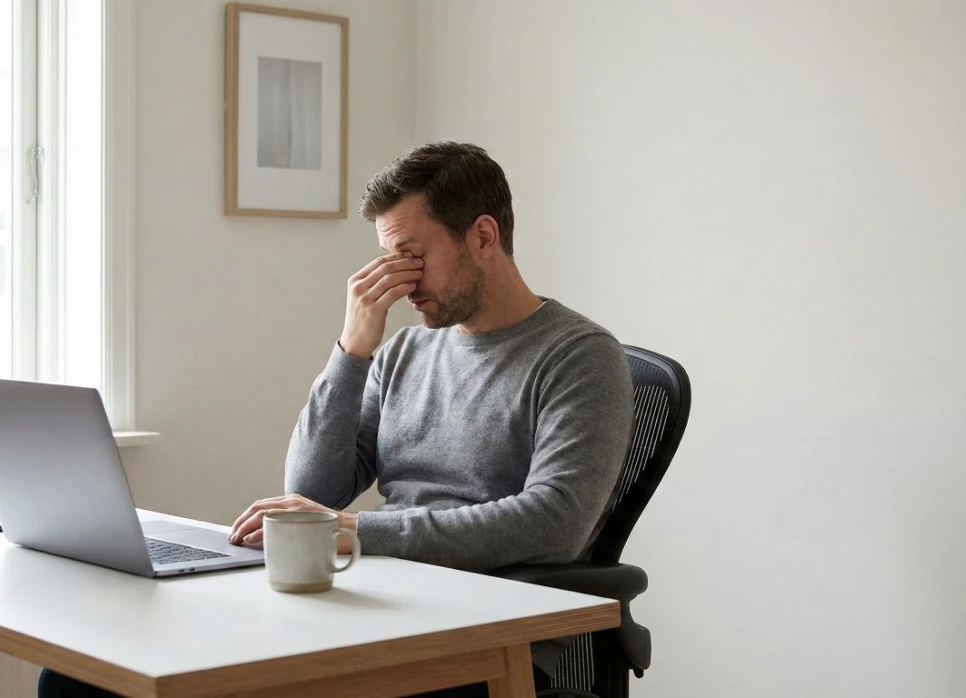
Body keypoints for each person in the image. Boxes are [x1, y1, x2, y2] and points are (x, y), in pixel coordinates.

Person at [37, 142, 634, 698]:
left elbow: (554, 523)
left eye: (413, 256)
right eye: (389, 258)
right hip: (373, 603)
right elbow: (312, 492)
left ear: (482, 236)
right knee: (79, 680)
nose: (400, 281)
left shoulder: (580, 357)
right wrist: (352, 351)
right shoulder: (405, 352)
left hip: (479, 635)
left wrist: (354, 532)